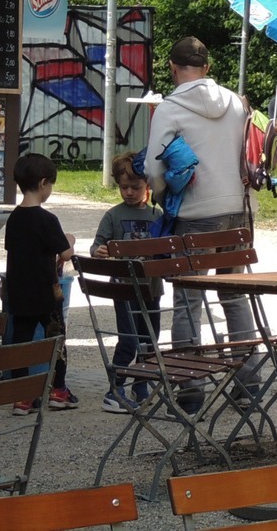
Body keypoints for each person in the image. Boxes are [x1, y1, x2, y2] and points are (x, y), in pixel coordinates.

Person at [145, 37, 262, 396]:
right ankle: (249, 383)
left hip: (196, 213)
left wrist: (167, 198)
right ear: (207, 68)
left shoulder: (169, 107)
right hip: (239, 211)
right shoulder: (235, 102)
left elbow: (152, 168)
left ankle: (190, 385)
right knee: (233, 294)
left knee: (187, 299)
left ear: (172, 67)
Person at [4, 152, 78, 412]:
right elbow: (66, 253)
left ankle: (21, 396)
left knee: (20, 342)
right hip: (47, 292)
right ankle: (58, 390)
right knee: (56, 340)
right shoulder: (47, 220)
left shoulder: (14, 218)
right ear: (44, 183)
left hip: (19, 291)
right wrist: (70, 239)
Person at [91, 152, 162, 413]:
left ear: (148, 187)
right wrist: (99, 251)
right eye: (124, 187)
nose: (129, 192)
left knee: (149, 340)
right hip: (123, 287)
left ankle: (142, 384)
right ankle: (116, 388)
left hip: (152, 288)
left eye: (136, 187)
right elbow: (97, 245)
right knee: (128, 339)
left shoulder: (157, 215)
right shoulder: (112, 215)